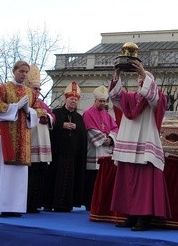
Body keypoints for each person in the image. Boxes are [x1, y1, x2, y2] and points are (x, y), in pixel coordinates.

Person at [109, 60, 171, 231]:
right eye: (140, 80)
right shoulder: (129, 98)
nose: (141, 82)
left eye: (145, 80)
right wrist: (117, 75)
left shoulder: (156, 97)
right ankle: (131, 215)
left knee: (144, 184)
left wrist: (144, 72)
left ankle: (143, 219)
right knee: (127, 180)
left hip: (145, 143)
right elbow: (114, 97)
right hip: (128, 142)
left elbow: (155, 98)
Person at [0, 60, 43, 217]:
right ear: (14, 71)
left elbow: (39, 111)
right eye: (21, 71)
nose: (24, 74)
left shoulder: (30, 92)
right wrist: (14, 108)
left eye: (26, 72)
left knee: (18, 173)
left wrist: (29, 111)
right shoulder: (2, 88)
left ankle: (13, 207)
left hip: (23, 139)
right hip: (4, 136)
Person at [44, 81, 87, 212]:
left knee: (69, 179)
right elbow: (49, 128)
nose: (73, 101)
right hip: (57, 153)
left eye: (75, 99)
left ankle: (66, 205)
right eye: (71, 99)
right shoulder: (56, 113)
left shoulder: (79, 117)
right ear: (65, 99)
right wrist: (61, 125)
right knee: (54, 178)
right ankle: (50, 203)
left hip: (72, 155)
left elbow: (83, 134)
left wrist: (77, 127)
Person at [82, 85, 118, 211]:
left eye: (104, 101)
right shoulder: (88, 113)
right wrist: (104, 139)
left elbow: (115, 128)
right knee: (92, 178)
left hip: (106, 151)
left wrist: (111, 139)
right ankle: (89, 203)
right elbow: (89, 129)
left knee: (103, 177)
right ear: (95, 100)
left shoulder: (107, 115)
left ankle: (102, 202)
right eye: (100, 101)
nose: (102, 103)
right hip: (94, 149)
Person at [24, 64, 53, 213]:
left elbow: (51, 116)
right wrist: (38, 115)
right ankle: (27, 203)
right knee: (30, 173)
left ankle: (36, 202)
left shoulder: (42, 103)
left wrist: (45, 116)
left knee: (41, 173)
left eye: (39, 89)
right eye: (35, 89)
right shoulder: (25, 101)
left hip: (43, 142)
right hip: (31, 141)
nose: (38, 91)